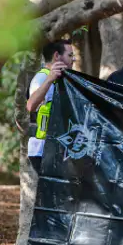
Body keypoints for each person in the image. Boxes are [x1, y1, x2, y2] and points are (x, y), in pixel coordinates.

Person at [26, 39, 75, 173]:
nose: (74, 59)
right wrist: (50, 79)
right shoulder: (42, 77)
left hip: (57, 148)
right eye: (70, 55)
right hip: (42, 150)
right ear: (56, 56)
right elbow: (30, 106)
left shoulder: (62, 78)